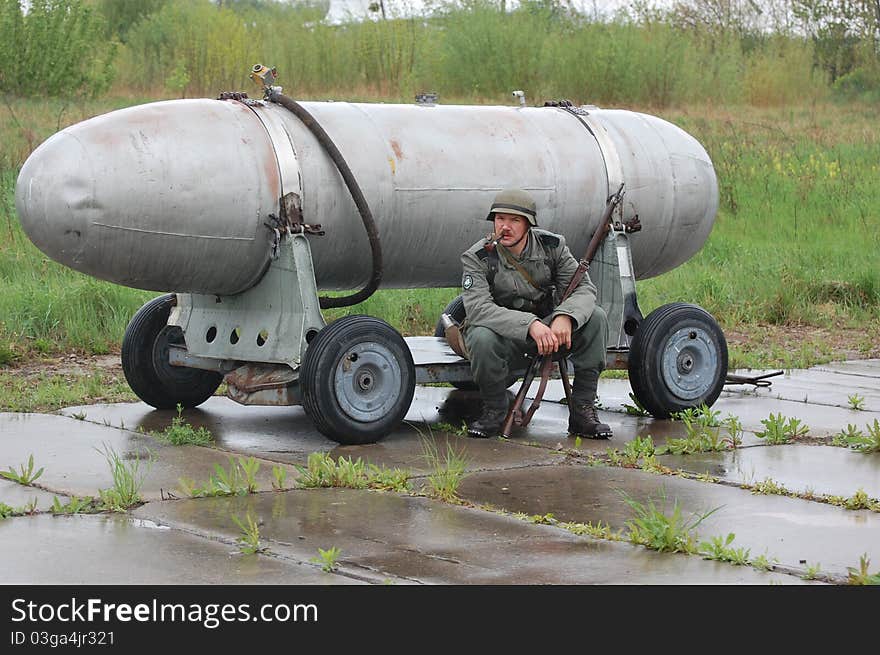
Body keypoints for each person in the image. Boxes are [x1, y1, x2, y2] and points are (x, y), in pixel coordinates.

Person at [459, 188, 611, 439]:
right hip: (507, 337)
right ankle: (495, 410)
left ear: (529, 224)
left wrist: (566, 316)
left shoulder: (552, 247)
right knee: (480, 337)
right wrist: (530, 325)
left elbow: (584, 289)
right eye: (500, 219)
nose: (504, 227)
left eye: (514, 220)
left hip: (550, 331)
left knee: (595, 317)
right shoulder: (479, 257)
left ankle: (583, 410)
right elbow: (478, 309)